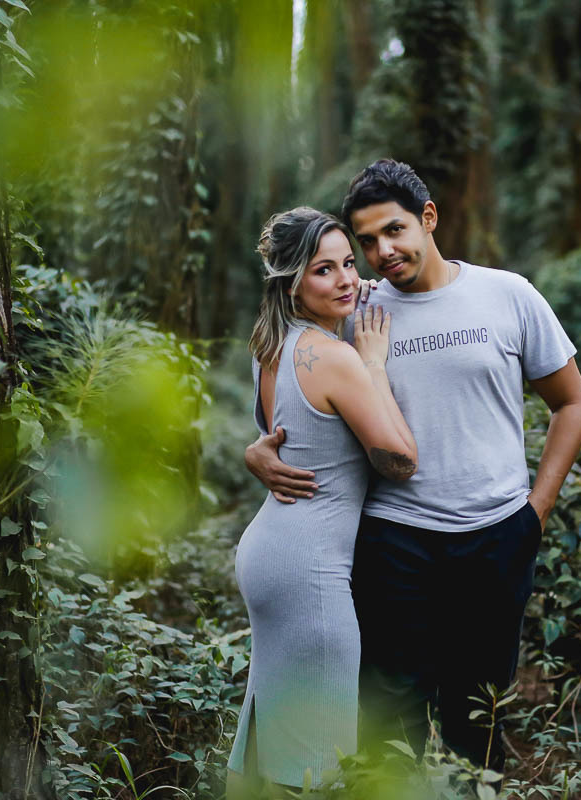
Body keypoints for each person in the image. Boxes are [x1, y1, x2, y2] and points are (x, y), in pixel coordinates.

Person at [245, 160, 581, 772]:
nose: (381, 253)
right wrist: (257, 452)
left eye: (395, 231)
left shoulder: (506, 294)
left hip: (495, 539)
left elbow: (572, 402)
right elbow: (296, 383)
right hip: (392, 542)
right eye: (367, 242)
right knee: (386, 729)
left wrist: (534, 515)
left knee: (477, 722)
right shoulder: (354, 307)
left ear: (428, 219)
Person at [226, 206, 419, 796]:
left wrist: (252, 452)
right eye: (322, 270)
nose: (343, 280)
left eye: (347, 265)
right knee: (318, 757)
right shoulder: (334, 357)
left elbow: (276, 434)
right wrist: (374, 364)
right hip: (310, 570)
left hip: (269, 552)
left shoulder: (271, 345)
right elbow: (400, 459)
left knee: (268, 732)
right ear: (291, 281)